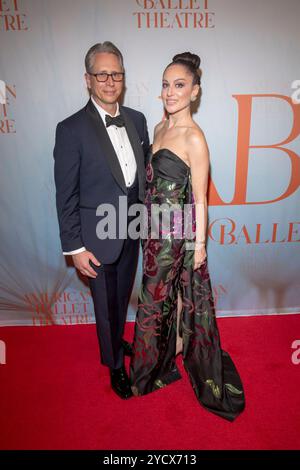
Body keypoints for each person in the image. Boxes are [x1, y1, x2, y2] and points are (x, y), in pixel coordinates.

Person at [130, 52, 245, 420]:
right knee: (168, 297)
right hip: (152, 229)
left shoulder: (195, 138)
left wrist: (199, 246)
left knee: (152, 300)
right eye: (166, 85)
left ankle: (147, 373)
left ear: (195, 92)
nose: (170, 92)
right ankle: (170, 351)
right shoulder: (161, 128)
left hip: (175, 235)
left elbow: (200, 198)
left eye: (179, 85)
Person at [54, 42, 149, 400]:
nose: (110, 81)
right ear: (88, 79)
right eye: (102, 74)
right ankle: (113, 365)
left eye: (117, 74)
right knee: (105, 306)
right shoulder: (71, 129)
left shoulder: (137, 120)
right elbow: (66, 195)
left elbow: (141, 177)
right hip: (96, 238)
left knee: (121, 296)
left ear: (123, 78)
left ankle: (116, 342)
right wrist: (74, 247)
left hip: (131, 230)